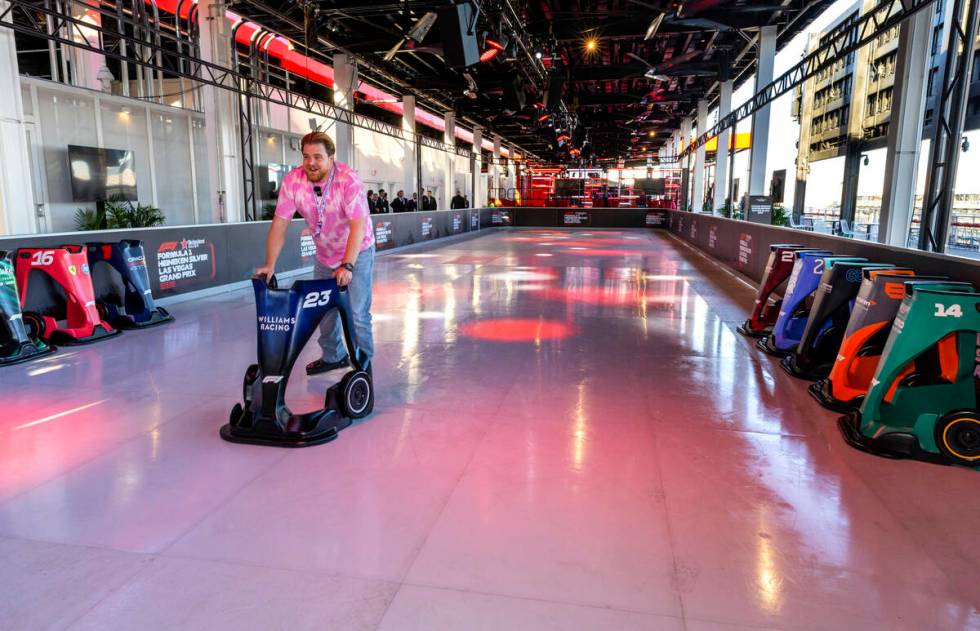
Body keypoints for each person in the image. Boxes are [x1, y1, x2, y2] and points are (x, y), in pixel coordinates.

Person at [255, 131, 375, 376]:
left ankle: (363, 370)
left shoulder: (348, 179)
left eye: (318, 157)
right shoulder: (293, 181)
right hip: (325, 255)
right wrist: (270, 264)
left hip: (357, 252)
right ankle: (334, 357)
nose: (311, 163)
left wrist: (348, 266)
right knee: (324, 311)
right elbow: (280, 223)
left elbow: (358, 225)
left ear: (331, 157)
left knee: (357, 313)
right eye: (306, 156)